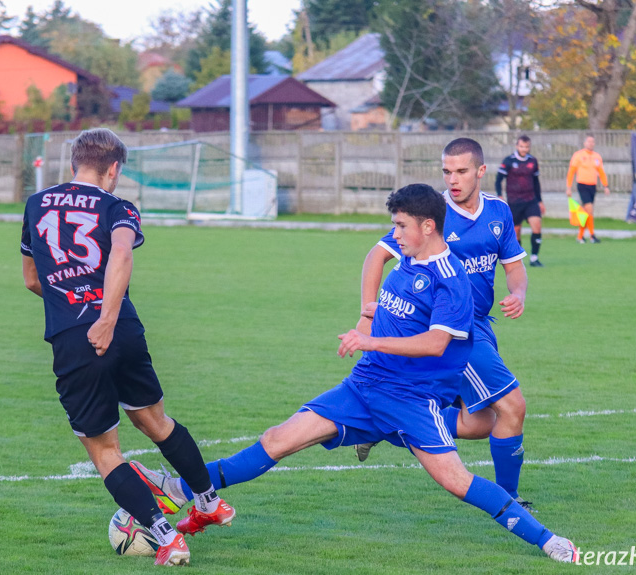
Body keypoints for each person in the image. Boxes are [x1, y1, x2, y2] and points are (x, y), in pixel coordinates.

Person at [132, 184, 577, 562]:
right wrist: (370, 317)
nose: (394, 234)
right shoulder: (406, 262)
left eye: (401, 226)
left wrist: (369, 339)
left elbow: (435, 344)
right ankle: (180, 485)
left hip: (411, 402)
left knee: (459, 481)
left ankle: (549, 541)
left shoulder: (451, 278)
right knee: (276, 439)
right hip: (363, 388)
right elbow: (388, 297)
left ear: (427, 227)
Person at [20, 128, 234, 567]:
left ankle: (165, 537)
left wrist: (81, 311)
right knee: (155, 421)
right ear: (114, 169)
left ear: (74, 162)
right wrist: (110, 316)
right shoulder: (118, 206)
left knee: (104, 451)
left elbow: (31, 279)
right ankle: (210, 503)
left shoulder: (36, 204)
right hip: (124, 328)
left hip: (75, 339)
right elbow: (121, 253)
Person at [356, 138, 533, 511]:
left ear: (481, 171)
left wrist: (518, 294)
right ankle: (509, 500)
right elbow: (376, 256)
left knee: (481, 422)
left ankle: (385, 424)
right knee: (513, 406)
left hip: (482, 325)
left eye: (462, 171)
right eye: (447, 171)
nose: (453, 179)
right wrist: (367, 313)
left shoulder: (498, 213)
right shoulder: (432, 213)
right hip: (454, 330)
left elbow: (515, 267)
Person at [496, 134, 545, 267]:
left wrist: (540, 201)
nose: (524, 149)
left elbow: (536, 182)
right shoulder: (508, 161)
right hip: (514, 202)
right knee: (516, 232)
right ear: (517, 146)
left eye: (526, 147)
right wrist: (500, 195)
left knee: (537, 225)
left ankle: (534, 258)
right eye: (522, 146)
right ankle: (518, 258)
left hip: (531, 200)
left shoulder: (533, 161)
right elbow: (498, 179)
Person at [566, 134, 610, 243]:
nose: (591, 143)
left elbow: (601, 172)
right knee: (589, 209)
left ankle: (580, 236)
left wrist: (606, 186)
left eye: (592, 142)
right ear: (585, 143)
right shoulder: (578, 155)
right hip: (582, 185)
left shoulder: (597, 156)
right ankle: (592, 235)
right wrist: (569, 187)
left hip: (592, 186)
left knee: (587, 212)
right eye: (589, 141)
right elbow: (571, 172)